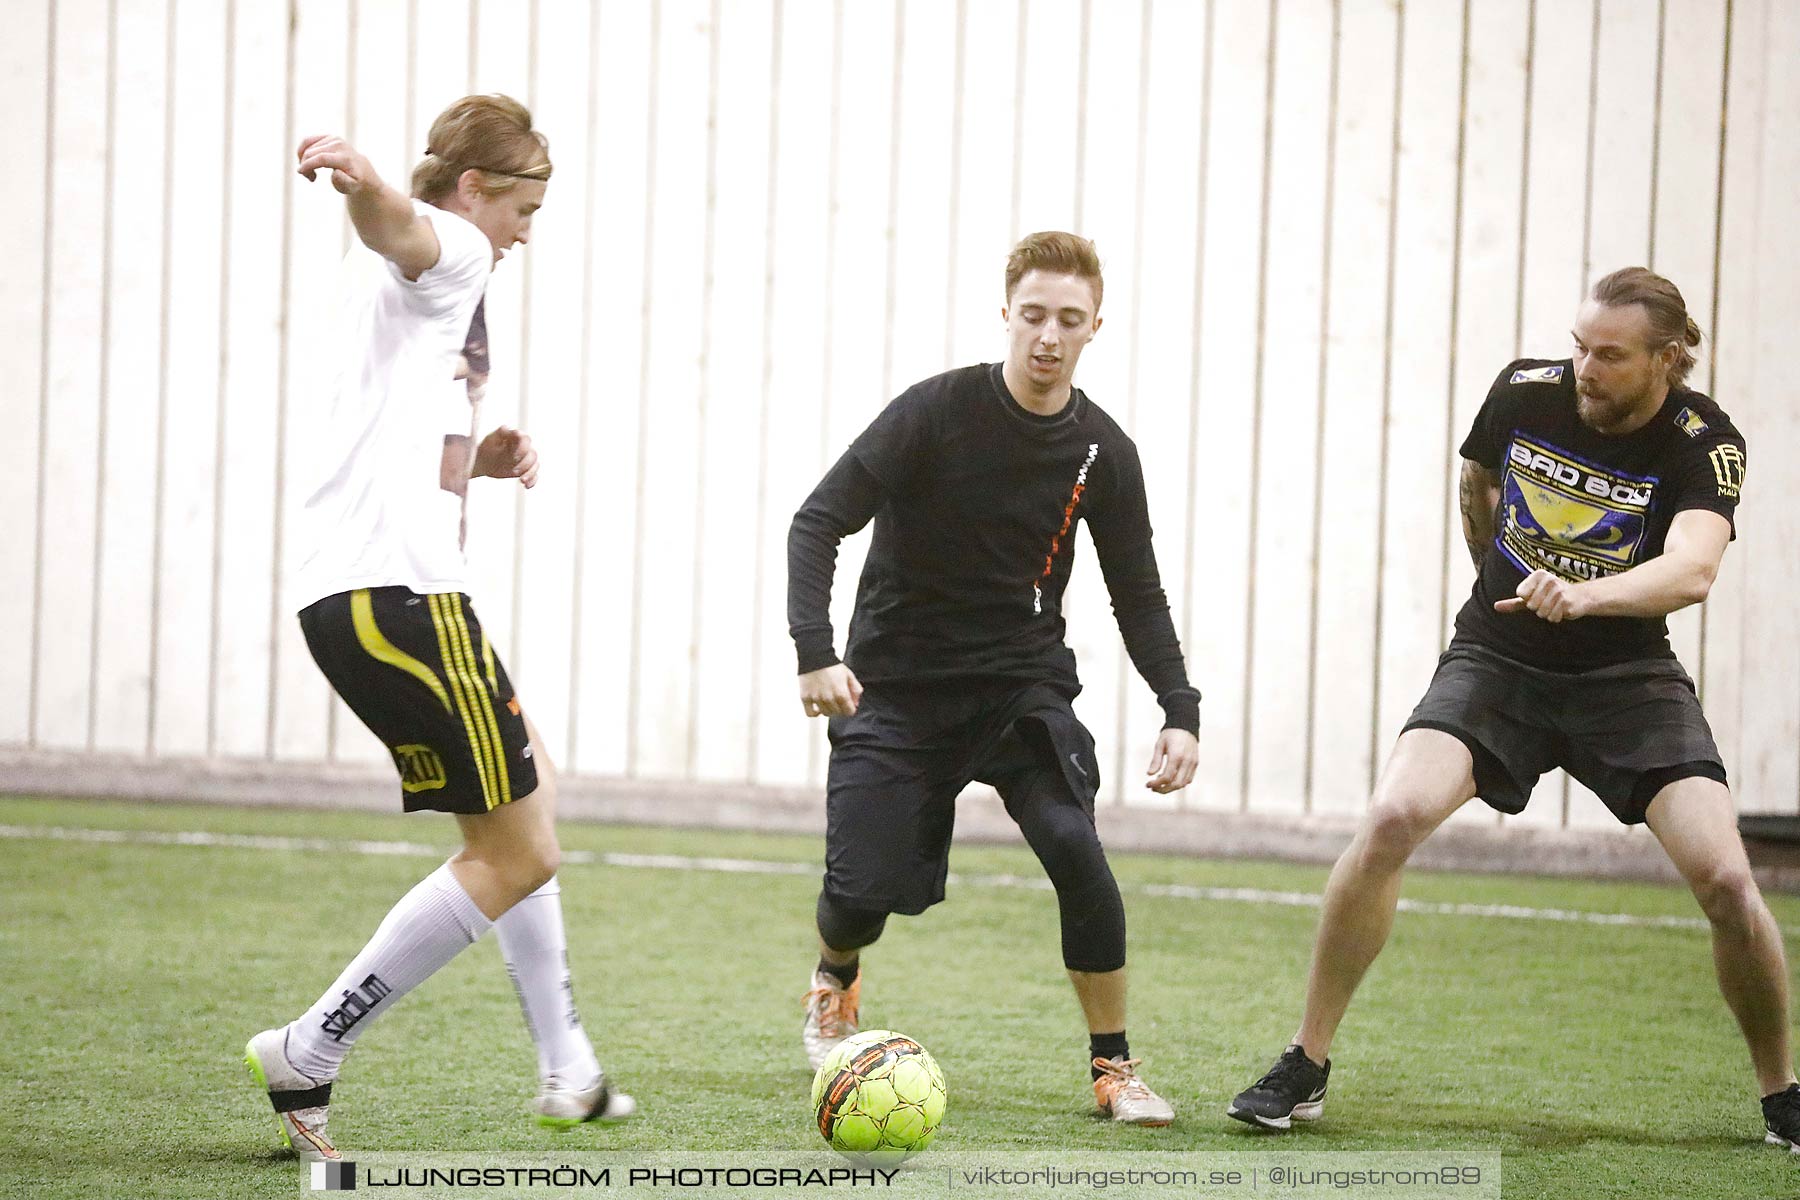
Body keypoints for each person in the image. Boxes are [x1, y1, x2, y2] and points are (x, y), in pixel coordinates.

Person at [1226, 267, 1800, 1152]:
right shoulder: (1524, 389)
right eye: (1579, 344)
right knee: (1391, 816)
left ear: (1667, 359)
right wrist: (1497, 576)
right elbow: (1478, 479)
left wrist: (1587, 597)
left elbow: (1693, 569)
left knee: (1727, 879)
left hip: (1626, 678)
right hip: (1498, 659)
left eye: (1609, 355)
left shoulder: (1703, 439)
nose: (1584, 367)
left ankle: (1781, 1095)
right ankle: (1305, 1060)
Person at [243, 94, 632, 1163]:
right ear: (474, 191)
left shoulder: (406, 296)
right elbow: (403, 225)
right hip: (400, 600)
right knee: (518, 848)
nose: (524, 233)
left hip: (376, 595)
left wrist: (474, 459)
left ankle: (570, 1072)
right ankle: (308, 1048)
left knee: (533, 790)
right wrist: (366, 180)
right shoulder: (451, 247)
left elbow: (381, 434)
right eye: (524, 208)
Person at [787, 231, 1201, 1126]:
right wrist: (814, 651)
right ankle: (836, 975)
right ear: (1006, 315)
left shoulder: (1102, 452)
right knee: (859, 896)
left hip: (1019, 691)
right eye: (1034, 316)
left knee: (1077, 851)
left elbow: (1140, 594)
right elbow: (816, 522)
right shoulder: (932, 413)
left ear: (1095, 327)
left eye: (1070, 320)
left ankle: (1114, 1068)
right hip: (895, 687)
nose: (1048, 336)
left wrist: (1180, 707)